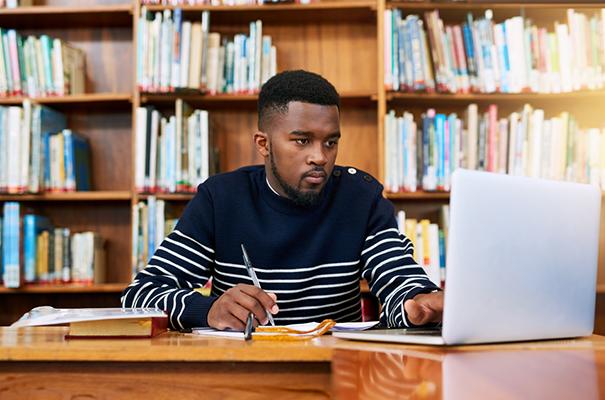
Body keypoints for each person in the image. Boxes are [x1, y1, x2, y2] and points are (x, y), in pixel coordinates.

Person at [121, 70, 443, 331]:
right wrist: (209, 310)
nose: (320, 157)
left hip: (335, 374)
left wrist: (416, 305)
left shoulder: (362, 197)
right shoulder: (220, 200)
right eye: (302, 141)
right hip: (240, 374)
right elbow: (139, 298)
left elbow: (399, 278)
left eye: (331, 142)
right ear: (263, 144)